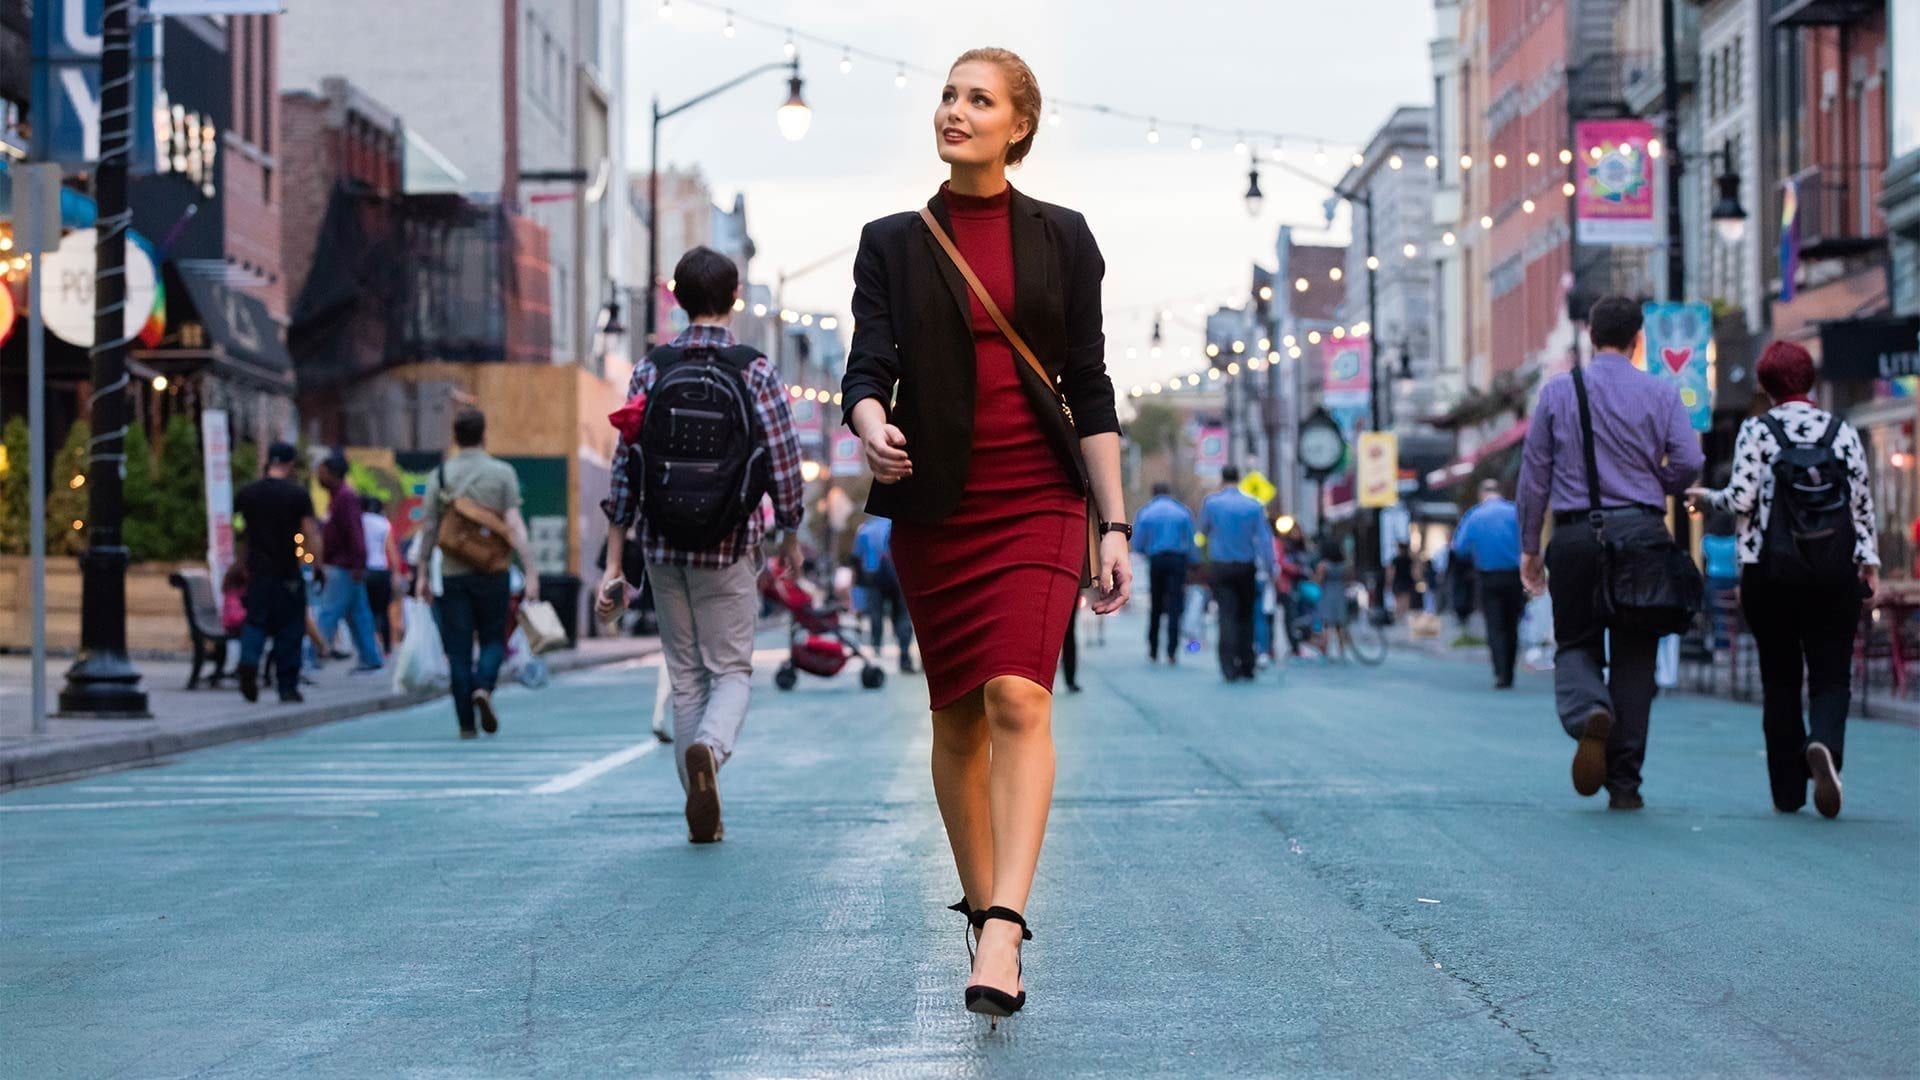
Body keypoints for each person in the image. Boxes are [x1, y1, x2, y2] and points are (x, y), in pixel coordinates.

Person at [841, 47, 1128, 1026]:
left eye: (980, 100)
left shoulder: (1064, 238)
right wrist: (871, 428)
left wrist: (1114, 520)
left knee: (1017, 697)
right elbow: (864, 369)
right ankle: (978, 907)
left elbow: (1089, 386)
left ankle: (1006, 923)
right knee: (957, 719)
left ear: (1019, 126)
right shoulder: (891, 240)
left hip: (1041, 493)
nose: (956, 111)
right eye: (950, 95)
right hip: (938, 505)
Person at [597, 246, 806, 843]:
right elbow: (785, 459)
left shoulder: (651, 368)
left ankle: (699, 809)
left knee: (685, 678)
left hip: (662, 547)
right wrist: (789, 529)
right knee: (731, 671)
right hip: (729, 542)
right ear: (734, 298)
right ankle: (710, 754)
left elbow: (625, 466)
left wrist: (616, 563)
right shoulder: (754, 369)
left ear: (678, 298)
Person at [1517, 296, 1703, 810]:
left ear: (1591, 335)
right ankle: (1625, 784)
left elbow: (1534, 479)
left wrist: (1530, 548)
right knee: (1636, 658)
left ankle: (1589, 712)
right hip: (1643, 533)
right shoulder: (1661, 393)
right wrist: (1656, 483)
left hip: (1576, 537)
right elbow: (1689, 460)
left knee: (1575, 642)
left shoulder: (1557, 393)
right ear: (1638, 339)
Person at [1687, 340, 1879, 818]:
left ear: (1766, 385)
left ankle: (1788, 790)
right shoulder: (1842, 432)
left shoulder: (1757, 430)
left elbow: (1742, 499)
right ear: (1809, 380)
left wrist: (1706, 498)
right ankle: (1825, 746)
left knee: (1780, 679)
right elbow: (1861, 503)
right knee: (1833, 675)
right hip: (1834, 572)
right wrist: (1869, 562)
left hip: (1769, 573)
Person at [416, 408, 540, 739]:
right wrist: (530, 571)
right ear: (484, 435)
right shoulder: (502, 474)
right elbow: (513, 525)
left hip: (453, 574)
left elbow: (430, 529)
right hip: (494, 571)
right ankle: (484, 685)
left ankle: (465, 725)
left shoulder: (440, 476)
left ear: (454, 437)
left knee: (457, 650)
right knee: (492, 637)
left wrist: (423, 573)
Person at [233, 442, 322, 704]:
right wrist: (315, 563)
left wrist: (240, 562)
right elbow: (310, 532)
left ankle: (248, 660)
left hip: (258, 572)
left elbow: (239, 530)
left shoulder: (247, 494)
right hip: (287, 572)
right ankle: (287, 686)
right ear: (290, 464)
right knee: (290, 629)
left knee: (256, 622)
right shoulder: (297, 495)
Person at [1200, 466, 1276, 681]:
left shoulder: (1212, 504)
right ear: (1239, 478)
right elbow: (1264, 540)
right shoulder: (1253, 505)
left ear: (1222, 479)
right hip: (1245, 566)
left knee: (1226, 615)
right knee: (1246, 615)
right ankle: (1247, 664)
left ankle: (1228, 667)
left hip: (1221, 565)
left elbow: (1203, 530)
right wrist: (1271, 568)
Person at [312, 454, 384, 674]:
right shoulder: (339, 498)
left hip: (344, 567)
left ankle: (310, 656)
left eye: (321, 471)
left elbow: (355, 533)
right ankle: (370, 656)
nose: (318, 476)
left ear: (332, 473)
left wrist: (357, 563)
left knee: (329, 612)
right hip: (347, 566)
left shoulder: (345, 498)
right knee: (358, 614)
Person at [1453, 479, 1524, 688]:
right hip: (1514, 575)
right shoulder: (1514, 512)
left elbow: (1460, 548)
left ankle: (1500, 671)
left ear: (1481, 494)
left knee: (1495, 624)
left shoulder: (1474, 515)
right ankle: (1510, 670)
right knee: (1512, 624)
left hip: (1488, 575)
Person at [1131, 482, 1198, 664]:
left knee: (1156, 605)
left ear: (1153, 493)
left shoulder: (1146, 513)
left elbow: (1138, 543)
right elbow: (1191, 540)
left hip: (1157, 560)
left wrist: (1147, 552)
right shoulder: (1182, 512)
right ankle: (1172, 650)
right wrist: (1194, 561)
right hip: (1177, 560)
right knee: (1176, 605)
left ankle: (1153, 649)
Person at [853, 515, 915, 673]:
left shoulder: (865, 530)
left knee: (876, 612)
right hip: (898, 575)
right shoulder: (896, 525)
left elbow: (857, 557)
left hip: (873, 576)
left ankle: (876, 644)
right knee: (902, 614)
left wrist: (858, 584)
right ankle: (904, 653)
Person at [361, 496, 401, 655]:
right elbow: (391, 550)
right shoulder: (383, 523)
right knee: (383, 610)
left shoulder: (359, 521)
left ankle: (369, 648)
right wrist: (396, 572)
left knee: (365, 610)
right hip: (380, 570)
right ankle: (387, 648)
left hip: (363, 570)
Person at [1314, 537, 1353, 660]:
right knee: (1340, 625)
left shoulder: (1323, 565)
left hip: (1327, 595)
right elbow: (1348, 580)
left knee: (1326, 625)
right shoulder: (1344, 565)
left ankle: (1325, 652)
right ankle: (1342, 651)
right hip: (1340, 594)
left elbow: (1318, 581)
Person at [1388, 541, 1419, 620]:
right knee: (1404, 602)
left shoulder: (1397, 559)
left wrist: (1389, 582)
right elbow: (1414, 571)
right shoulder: (1408, 559)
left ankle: (1400, 617)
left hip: (1401, 582)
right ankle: (1402, 616)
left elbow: (1391, 572)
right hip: (1405, 582)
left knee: (1400, 602)